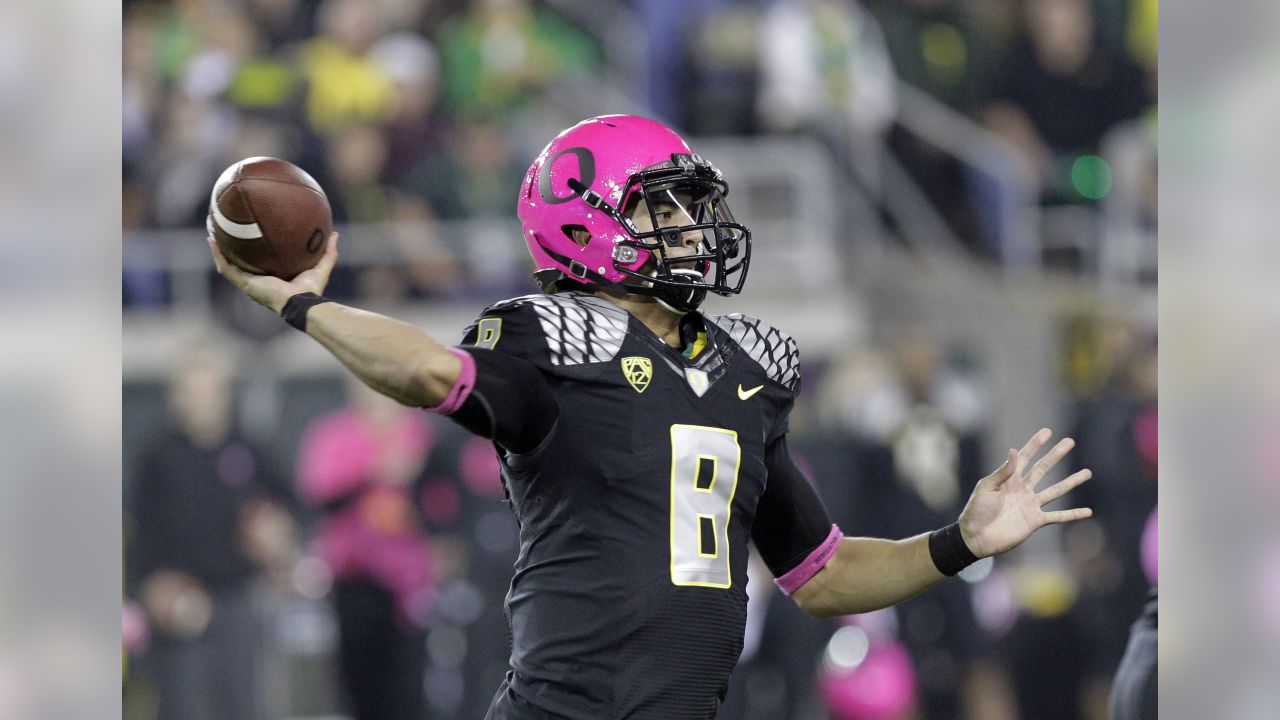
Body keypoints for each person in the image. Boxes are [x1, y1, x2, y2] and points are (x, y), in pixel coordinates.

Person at [206, 114, 1094, 719]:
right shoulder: (550, 336)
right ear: (584, 223)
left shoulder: (748, 367)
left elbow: (821, 575)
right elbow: (426, 371)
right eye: (657, 206)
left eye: (688, 204)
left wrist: (960, 543)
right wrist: (304, 308)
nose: (690, 225)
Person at [127, 345, 296, 720]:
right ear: (176, 396)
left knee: (244, 701)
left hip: (238, 594)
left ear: (226, 394)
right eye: (192, 390)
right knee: (183, 703)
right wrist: (151, 585)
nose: (202, 401)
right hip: (180, 597)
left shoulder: (248, 447)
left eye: (211, 390)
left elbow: (292, 503)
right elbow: (137, 527)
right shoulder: (156, 453)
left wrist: (277, 533)